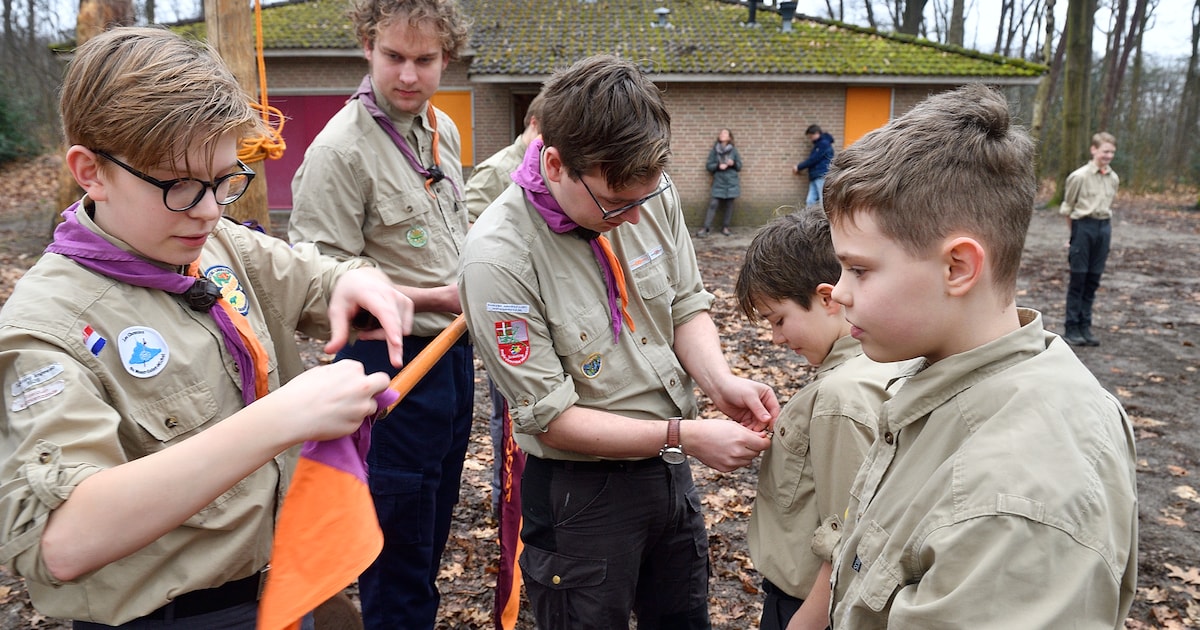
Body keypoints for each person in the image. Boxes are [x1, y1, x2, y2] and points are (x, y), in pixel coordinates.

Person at [0, 26, 414, 628]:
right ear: (91, 172)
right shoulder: (47, 330)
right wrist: (282, 420)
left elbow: (315, 277)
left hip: (289, 582)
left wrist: (355, 282)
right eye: (180, 186)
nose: (211, 209)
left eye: (225, 179)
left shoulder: (207, 241)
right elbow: (65, 541)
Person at [458, 54, 780, 629]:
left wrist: (720, 382)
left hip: (669, 471)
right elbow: (551, 419)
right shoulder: (498, 259)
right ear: (554, 164)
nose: (634, 218)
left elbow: (684, 304)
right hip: (580, 499)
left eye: (645, 199)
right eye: (616, 203)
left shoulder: (647, 192)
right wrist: (685, 434)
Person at [824, 85, 1138, 628]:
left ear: (958, 268)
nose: (839, 291)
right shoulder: (944, 377)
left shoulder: (1015, 498)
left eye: (859, 269)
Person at [286, 0, 472, 628]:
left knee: (428, 534)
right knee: (394, 555)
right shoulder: (340, 151)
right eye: (395, 57)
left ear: (447, 56)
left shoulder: (441, 130)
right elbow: (315, 285)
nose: (410, 76)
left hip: (451, 358)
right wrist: (431, 298)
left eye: (425, 60)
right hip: (386, 370)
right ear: (367, 44)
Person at [734, 207, 904, 630]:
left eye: (779, 320)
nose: (775, 338)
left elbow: (848, 539)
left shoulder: (838, 398)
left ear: (827, 298)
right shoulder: (879, 366)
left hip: (808, 607)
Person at [463, 91, 543, 515]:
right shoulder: (497, 171)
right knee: (507, 412)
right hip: (506, 305)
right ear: (532, 124)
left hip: (540, 307)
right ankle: (503, 495)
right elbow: (470, 230)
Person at [1060, 132, 1119, 347]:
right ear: (1094, 150)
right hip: (1083, 227)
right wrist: (1074, 235)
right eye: (1105, 151)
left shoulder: (1113, 178)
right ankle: (1071, 327)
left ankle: (1085, 326)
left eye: (1112, 152)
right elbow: (1068, 208)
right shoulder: (1079, 177)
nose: (1108, 155)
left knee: (1093, 281)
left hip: (1103, 229)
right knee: (1078, 280)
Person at [696, 127, 742, 237]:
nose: (722, 135)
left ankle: (725, 228)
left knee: (729, 206)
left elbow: (740, 166)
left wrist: (733, 163)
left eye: (725, 133)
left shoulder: (734, 151)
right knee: (713, 204)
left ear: (729, 137)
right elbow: (708, 166)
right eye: (721, 133)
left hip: (731, 182)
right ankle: (706, 228)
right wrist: (717, 166)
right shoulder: (714, 151)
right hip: (718, 181)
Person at [792, 124, 834, 208]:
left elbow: (813, 159)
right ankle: (809, 219)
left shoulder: (823, 144)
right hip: (815, 176)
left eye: (811, 136)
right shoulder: (819, 144)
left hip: (821, 175)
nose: (810, 139)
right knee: (810, 201)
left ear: (817, 133)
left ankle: (825, 219)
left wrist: (799, 167)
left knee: (823, 201)